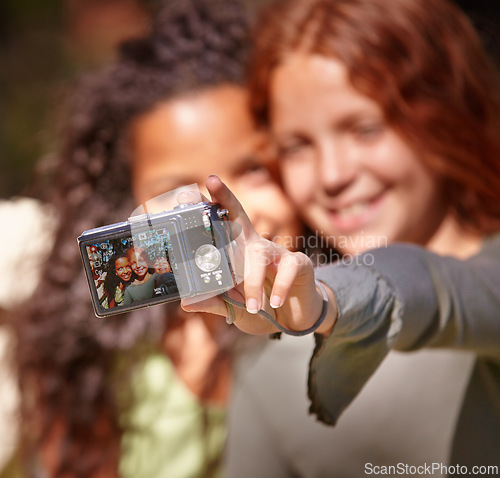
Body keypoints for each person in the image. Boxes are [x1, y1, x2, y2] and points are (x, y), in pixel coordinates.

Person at [182, 0, 500, 472]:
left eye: (365, 129)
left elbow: (431, 288)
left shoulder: (313, 308)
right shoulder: (269, 362)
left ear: (445, 110)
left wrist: (326, 301)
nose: (332, 175)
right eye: (297, 146)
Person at [11, 0, 300, 476]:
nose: (227, 210)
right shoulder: (96, 353)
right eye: (176, 192)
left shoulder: (327, 311)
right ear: (126, 208)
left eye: (253, 169)